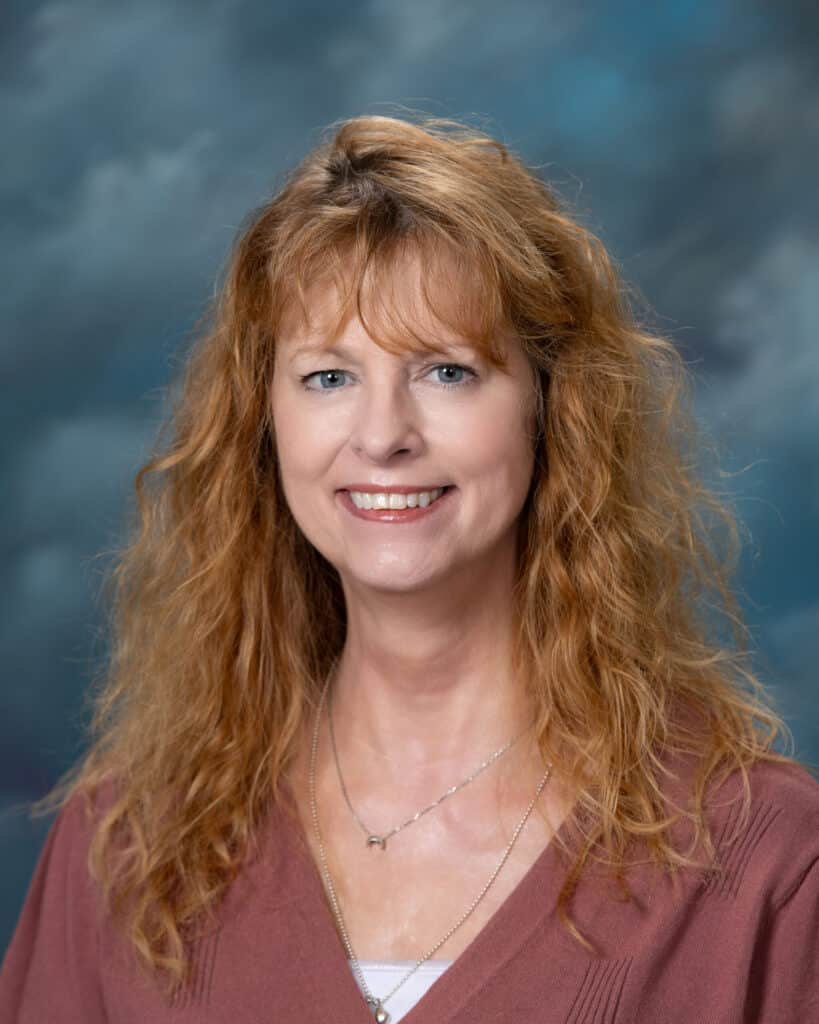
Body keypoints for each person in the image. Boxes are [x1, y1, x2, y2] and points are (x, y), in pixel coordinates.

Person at [1, 114, 817, 1024]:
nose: (384, 435)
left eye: (446, 371)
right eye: (327, 377)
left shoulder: (765, 858)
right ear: (261, 426)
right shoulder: (123, 848)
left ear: (550, 411)